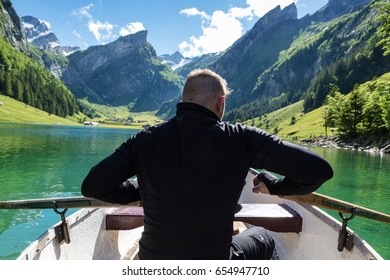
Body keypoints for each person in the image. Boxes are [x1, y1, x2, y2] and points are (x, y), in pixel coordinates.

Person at [81, 69, 333, 260]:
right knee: (264, 237)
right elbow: (318, 171)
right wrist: (275, 186)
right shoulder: (241, 139)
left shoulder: (145, 139)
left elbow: (94, 186)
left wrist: (142, 191)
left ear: (183, 100)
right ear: (221, 103)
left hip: (151, 262)